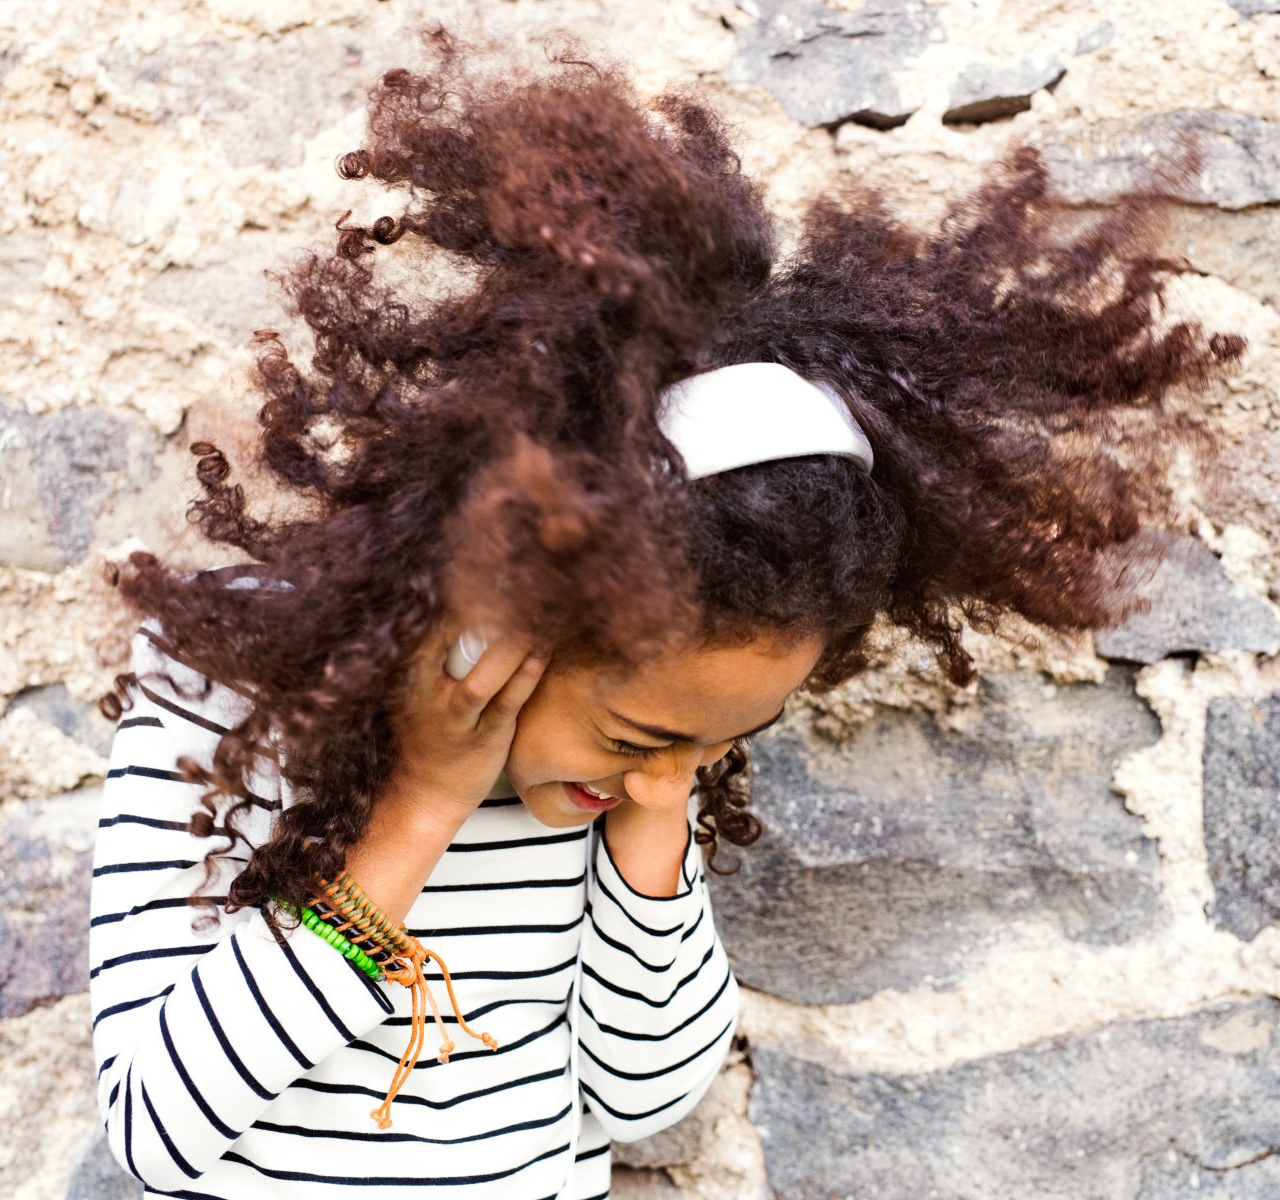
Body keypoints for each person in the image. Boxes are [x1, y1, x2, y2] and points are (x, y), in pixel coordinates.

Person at [89, 27, 1244, 1200]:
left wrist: (651, 840)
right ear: (516, 618)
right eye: (644, 739)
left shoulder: (629, 782)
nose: (665, 778)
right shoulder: (226, 700)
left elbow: (641, 1099)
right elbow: (155, 1129)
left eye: (717, 747)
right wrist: (422, 807)